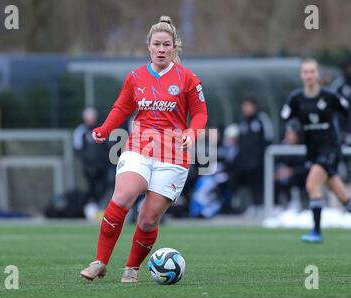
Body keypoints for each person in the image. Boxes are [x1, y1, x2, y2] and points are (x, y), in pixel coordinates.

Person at [80, 16, 208, 283]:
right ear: (148, 46)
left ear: (174, 48)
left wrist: (191, 132)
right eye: (156, 44)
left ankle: (132, 269)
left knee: (148, 219)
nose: (161, 49)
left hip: (173, 156)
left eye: (167, 45)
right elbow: (122, 108)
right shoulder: (135, 76)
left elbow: (199, 113)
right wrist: (105, 128)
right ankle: (99, 262)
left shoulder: (187, 78)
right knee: (124, 196)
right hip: (139, 147)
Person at [281, 58, 351, 245]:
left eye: (312, 71)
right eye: (305, 72)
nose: (309, 75)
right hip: (313, 150)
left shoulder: (329, 96)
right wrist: (290, 127)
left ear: (317, 75)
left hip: (330, 148)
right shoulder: (296, 99)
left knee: (312, 185)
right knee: (341, 195)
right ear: (301, 75)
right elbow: (286, 117)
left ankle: (316, 231)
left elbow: (346, 112)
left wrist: (349, 134)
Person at [235, 98, 273, 215]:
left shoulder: (262, 119)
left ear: (255, 106)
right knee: (249, 184)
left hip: (260, 161)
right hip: (246, 161)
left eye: (248, 106)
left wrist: (262, 155)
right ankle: (253, 206)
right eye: (244, 106)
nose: (246, 109)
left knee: (260, 183)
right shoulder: (243, 122)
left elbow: (268, 137)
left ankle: (262, 205)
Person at [73, 107, 110, 219]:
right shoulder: (81, 131)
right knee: (91, 189)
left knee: (104, 187)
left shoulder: (102, 129)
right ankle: (90, 210)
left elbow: (108, 145)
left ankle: (99, 209)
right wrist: (87, 160)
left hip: (103, 165)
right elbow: (77, 148)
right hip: (89, 167)